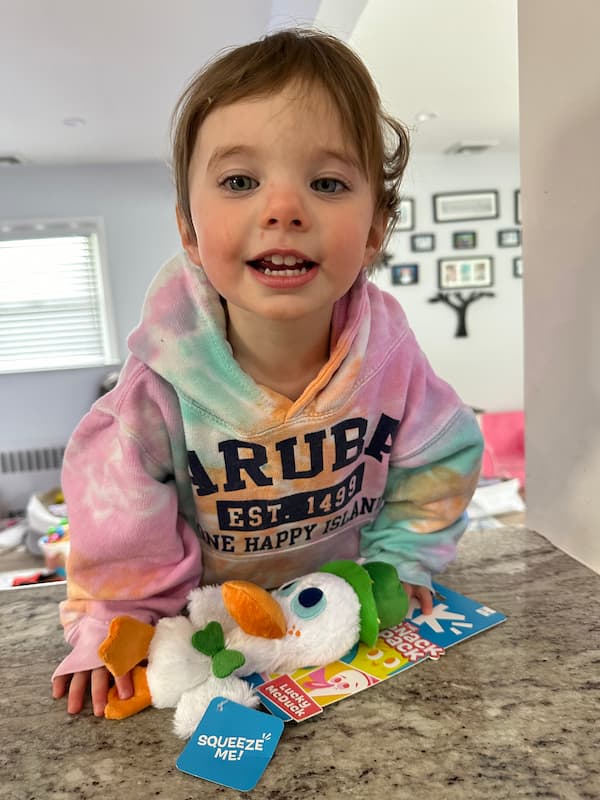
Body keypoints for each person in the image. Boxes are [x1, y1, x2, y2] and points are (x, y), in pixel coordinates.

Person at [52, 28, 483, 717]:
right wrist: (119, 622)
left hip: (340, 613)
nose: (283, 209)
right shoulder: (161, 380)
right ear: (189, 231)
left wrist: (401, 563)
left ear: (375, 230)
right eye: (240, 181)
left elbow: (445, 453)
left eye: (328, 182)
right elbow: (116, 514)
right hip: (215, 629)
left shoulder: (390, 357)